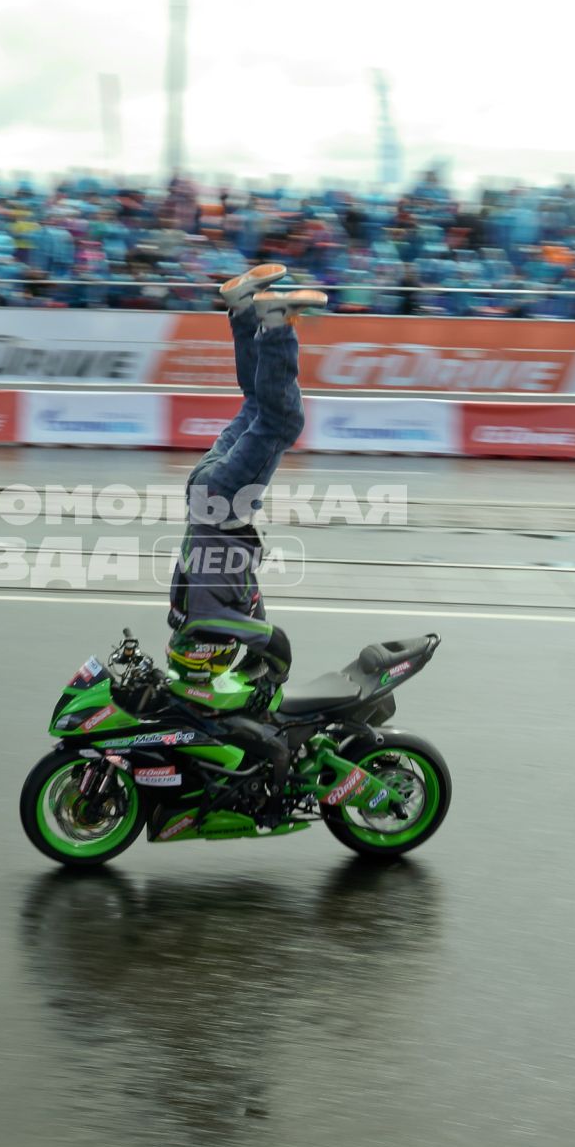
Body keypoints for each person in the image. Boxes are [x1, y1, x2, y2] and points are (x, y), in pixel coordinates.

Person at [165, 263, 327, 829]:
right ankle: (242, 310)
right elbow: (228, 607)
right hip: (210, 491)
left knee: (282, 417)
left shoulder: (204, 620)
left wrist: (272, 644)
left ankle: (273, 319)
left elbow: (222, 620)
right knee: (261, 407)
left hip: (221, 500)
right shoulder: (196, 606)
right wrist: (260, 627)